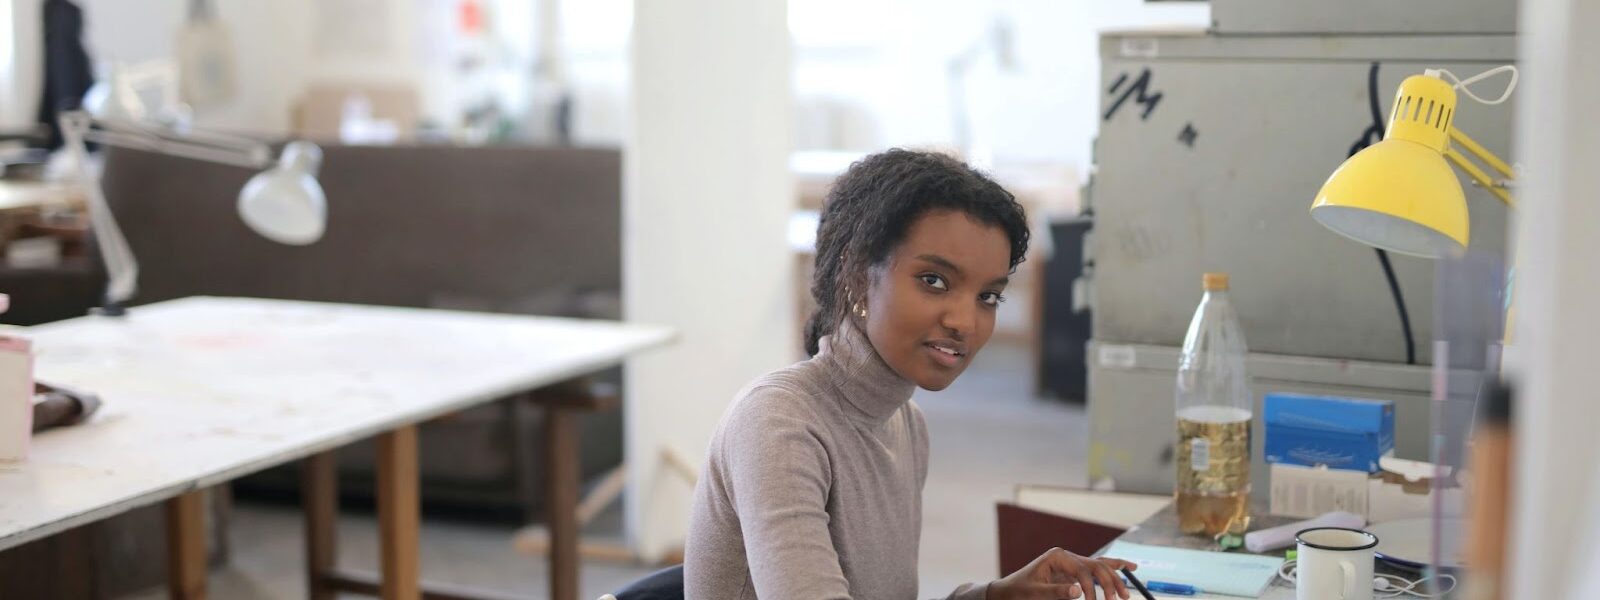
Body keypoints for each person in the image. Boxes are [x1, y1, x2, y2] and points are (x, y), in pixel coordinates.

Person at [685, 149, 1136, 599]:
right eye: (934, 281)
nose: (965, 322)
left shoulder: (905, 423)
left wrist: (996, 596)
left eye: (988, 296)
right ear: (856, 276)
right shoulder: (778, 423)